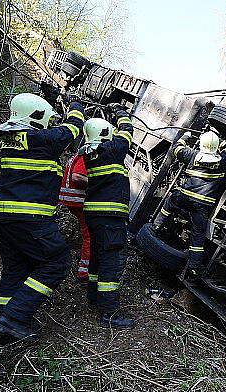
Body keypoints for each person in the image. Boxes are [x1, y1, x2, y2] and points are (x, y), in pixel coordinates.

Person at [0, 93, 85, 341]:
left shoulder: (12, 137)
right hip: (30, 216)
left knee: (15, 267)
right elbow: (72, 129)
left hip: (3, 216)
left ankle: (5, 324)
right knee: (57, 262)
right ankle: (14, 317)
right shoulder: (42, 139)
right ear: (35, 117)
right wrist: (75, 106)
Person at [79, 104, 135, 329]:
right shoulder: (113, 149)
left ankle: (94, 298)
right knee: (110, 263)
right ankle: (109, 314)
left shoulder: (90, 153)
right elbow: (127, 131)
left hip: (93, 213)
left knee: (97, 257)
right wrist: (121, 113)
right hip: (110, 216)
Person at [153, 129, 226, 276]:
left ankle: (156, 226)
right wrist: (221, 142)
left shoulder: (193, 156)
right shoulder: (223, 161)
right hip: (202, 206)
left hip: (184, 198)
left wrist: (186, 137)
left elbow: (177, 149)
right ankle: (193, 267)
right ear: (216, 148)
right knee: (198, 235)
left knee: (169, 203)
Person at [59, 154, 91, 281]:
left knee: (85, 233)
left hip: (71, 200)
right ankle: (84, 272)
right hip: (77, 200)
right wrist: (98, 182)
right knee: (89, 235)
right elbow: (77, 176)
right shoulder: (85, 156)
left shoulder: (76, 155)